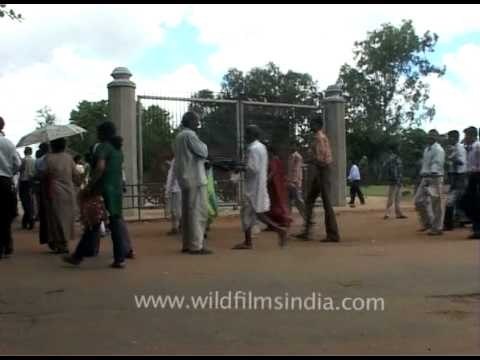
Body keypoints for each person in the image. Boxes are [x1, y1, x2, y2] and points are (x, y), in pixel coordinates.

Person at [64, 122, 134, 268]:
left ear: (103, 133)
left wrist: (90, 186)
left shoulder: (103, 147)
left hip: (102, 189)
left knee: (92, 223)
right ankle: (119, 258)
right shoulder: (118, 150)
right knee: (115, 224)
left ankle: (79, 255)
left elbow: (100, 167)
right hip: (116, 190)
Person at [232, 125, 287, 249]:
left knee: (253, 214)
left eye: (247, 133)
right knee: (253, 214)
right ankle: (249, 241)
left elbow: (253, 168)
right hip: (259, 185)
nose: (245, 136)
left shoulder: (253, 149)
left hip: (253, 187)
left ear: (252, 135)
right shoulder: (261, 147)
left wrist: (240, 167)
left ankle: (278, 231)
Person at [295, 116, 340, 242]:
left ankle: (333, 234)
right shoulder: (319, 138)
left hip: (323, 171)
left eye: (312, 123)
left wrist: (309, 160)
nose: (310, 125)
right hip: (320, 172)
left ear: (318, 125)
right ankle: (307, 231)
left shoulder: (319, 138)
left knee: (326, 203)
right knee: (309, 200)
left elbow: (321, 160)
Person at [174, 111, 212, 255]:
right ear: (189, 121)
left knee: (188, 214)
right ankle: (196, 246)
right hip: (195, 178)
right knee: (198, 213)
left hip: (185, 179)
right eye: (196, 121)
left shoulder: (179, 136)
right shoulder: (190, 135)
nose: (198, 124)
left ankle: (187, 245)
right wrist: (203, 143)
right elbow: (203, 152)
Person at [40, 137, 81, 254]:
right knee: (67, 218)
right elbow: (76, 176)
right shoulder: (69, 158)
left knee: (55, 219)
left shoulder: (48, 158)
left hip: (54, 191)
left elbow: (43, 173)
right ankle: (64, 243)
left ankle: (58, 243)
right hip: (68, 191)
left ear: (52, 146)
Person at [414, 129, 446, 236]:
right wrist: (422, 174)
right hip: (425, 177)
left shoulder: (438, 149)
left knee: (436, 203)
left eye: (433, 136)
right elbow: (425, 165)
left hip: (435, 177)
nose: (430, 137)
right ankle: (428, 223)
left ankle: (437, 227)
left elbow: (436, 164)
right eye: (429, 135)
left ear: (437, 137)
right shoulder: (427, 149)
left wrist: (431, 173)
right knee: (418, 201)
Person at [0, 116, 21, 259]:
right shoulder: (8, 143)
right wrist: (10, 173)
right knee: (5, 216)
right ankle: (6, 245)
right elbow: (17, 164)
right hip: (5, 182)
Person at [443, 130, 467, 231]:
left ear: (455, 138)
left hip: (459, 176)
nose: (448, 139)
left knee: (451, 200)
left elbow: (461, 163)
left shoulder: (459, 149)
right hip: (454, 176)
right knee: (457, 200)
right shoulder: (453, 148)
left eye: (450, 137)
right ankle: (458, 221)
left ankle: (448, 224)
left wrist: (451, 158)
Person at [459, 127, 480, 239]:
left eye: (466, 135)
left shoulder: (477, 147)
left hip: (477, 176)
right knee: (467, 203)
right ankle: (476, 227)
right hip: (472, 176)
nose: (464, 138)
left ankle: (477, 229)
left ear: (472, 136)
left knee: (474, 203)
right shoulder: (471, 148)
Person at [265, 145, 292, 228]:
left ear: (270, 152)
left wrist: (266, 181)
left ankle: (278, 222)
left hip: (274, 186)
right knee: (278, 203)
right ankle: (280, 221)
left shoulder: (273, 160)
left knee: (274, 204)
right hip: (278, 185)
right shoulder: (277, 160)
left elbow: (272, 172)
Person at [383, 144, 407, 220]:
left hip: (396, 180)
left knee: (397, 197)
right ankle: (387, 213)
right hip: (395, 180)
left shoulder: (391, 158)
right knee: (393, 198)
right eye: (398, 148)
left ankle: (398, 213)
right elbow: (394, 170)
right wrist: (397, 180)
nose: (400, 149)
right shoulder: (394, 158)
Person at [287, 142, 306, 220]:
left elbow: (296, 170)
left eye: (294, 145)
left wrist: (294, 181)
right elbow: (290, 169)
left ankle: (306, 216)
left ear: (296, 147)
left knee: (298, 199)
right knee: (289, 200)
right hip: (291, 180)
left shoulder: (297, 157)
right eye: (291, 145)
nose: (292, 147)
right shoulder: (291, 156)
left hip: (295, 181)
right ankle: (288, 216)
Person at [18, 146, 36, 230]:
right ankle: (27, 220)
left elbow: (20, 169)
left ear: (25, 152)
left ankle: (29, 218)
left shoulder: (23, 160)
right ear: (31, 152)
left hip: (24, 181)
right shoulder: (34, 161)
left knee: (24, 201)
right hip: (31, 181)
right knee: (30, 200)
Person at [165, 157, 182, 235]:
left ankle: (177, 227)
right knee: (174, 210)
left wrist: (170, 188)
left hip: (176, 189)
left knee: (176, 210)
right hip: (174, 188)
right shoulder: (175, 160)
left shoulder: (177, 160)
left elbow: (174, 176)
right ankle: (176, 227)